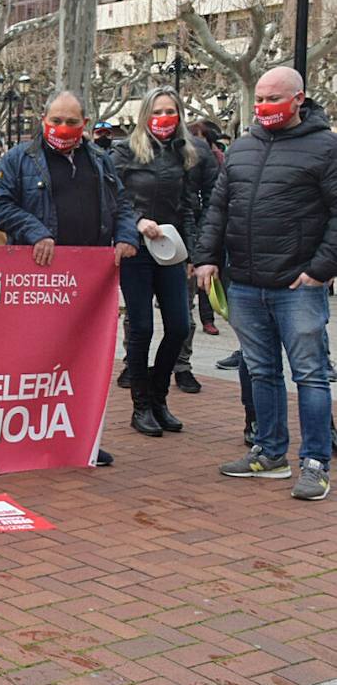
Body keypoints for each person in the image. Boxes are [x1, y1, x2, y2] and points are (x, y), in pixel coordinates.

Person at [197, 67, 337, 501]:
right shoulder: (242, 147)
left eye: (273, 98)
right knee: (261, 371)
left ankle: (315, 462)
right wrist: (206, 257)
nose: (264, 106)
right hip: (245, 283)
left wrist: (321, 268)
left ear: (299, 99)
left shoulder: (326, 147)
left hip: (299, 285)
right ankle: (270, 453)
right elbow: (219, 208)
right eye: (259, 98)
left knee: (310, 376)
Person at [0, 90, 140, 468]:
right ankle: (20, 437)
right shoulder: (18, 159)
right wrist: (35, 231)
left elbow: (122, 205)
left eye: (71, 122)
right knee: (33, 360)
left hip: (88, 283)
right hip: (36, 280)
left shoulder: (101, 160)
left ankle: (81, 439)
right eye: (56, 120)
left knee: (82, 361)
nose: (63, 128)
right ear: (44, 120)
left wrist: (126, 236)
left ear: (84, 124)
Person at [111, 88, 198, 438]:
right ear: (145, 114)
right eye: (158, 111)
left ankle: (159, 399)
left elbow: (189, 206)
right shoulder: (125, 151)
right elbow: (113, 197)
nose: (164, 118)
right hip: (136, 250)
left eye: (170, 111)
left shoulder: (184, 153)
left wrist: (192, 254)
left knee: (179, 326)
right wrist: (137, 220)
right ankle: (141, 405)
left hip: (171, 250)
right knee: (142, 328)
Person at [171, 117, 221, 389]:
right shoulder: (136, 147)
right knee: (137, 316)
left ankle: (182, 365)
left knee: (183, 310)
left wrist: (201, 247)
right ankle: (135, 365)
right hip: (144, 241)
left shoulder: (200, 152)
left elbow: (214, 200)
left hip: (188, 240)